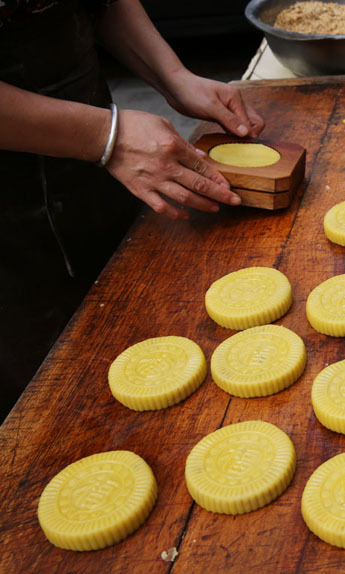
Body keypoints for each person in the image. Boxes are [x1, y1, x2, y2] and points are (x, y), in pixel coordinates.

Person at [0, 0, 265, 415]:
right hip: (12, 232)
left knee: (135, 337)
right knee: (48, 401)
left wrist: (172, 76)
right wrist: (105, 135)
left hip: (99, 161)